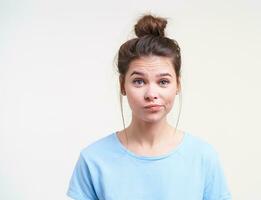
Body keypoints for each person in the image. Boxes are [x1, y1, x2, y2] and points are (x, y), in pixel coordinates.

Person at [66, 14, 232, 200]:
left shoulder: (203, 157)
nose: (151, 93)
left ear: (177, 85)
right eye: (138, 81)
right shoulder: (93, 160)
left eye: (163, 82)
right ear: (123, 85)